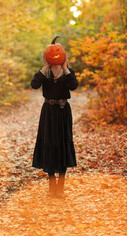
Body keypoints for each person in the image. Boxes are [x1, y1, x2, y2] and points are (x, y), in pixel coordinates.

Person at [31, 49, 78, 198]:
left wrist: (65, 68)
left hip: (63, 112)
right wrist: (45, 66)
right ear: (46, 56)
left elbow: (74, 86)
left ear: (64, 56)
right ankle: (52, 185)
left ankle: (61, 186)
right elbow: (34, 84)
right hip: (48, 112)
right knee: (49, 144)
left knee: (63, 143)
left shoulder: (68, 72)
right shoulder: (45, 74)